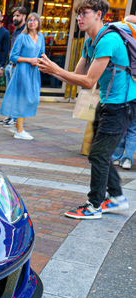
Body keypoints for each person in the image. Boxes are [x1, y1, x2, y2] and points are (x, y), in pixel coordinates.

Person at [38, 1, 136, 219]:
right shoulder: (90, 42)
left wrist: (55, 69)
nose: (79, 18)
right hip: (107, 102)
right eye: (78, 14)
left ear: (98, 14)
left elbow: (88, 81)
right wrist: (52, 70)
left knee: (99, 155)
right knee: (101, 153)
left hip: (123, 104)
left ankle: (94, 205)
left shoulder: (108, 39)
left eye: (84, 13)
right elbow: (76, 74)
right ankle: (117, 198)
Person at [0, 13, 44, 140]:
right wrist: (30, 60)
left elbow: (42, 54)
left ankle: (19, 128)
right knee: (22, 99)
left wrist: (42, 63)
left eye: (35, 20)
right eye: (30, 20)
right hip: (23, 71)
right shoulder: (22, 37)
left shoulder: (41, 37)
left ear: (39, 22)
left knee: (33, 98)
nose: (32, 22)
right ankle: (19, 130)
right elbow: (13, 56)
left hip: (34, 72)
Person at [0, 7, 27, 127]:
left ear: (24, 16)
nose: (15, 18)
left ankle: (15, 118)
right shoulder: (17, 29)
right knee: (10, 93)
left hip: (18, 66)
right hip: (11, 66)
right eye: (14, 16)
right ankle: (10, 117)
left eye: (17, 16)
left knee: (17, 94)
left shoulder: (25, 31)